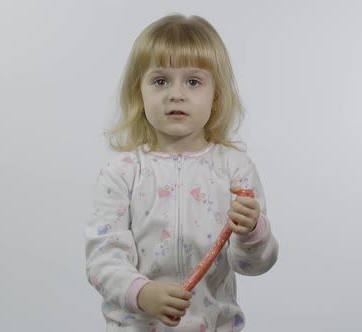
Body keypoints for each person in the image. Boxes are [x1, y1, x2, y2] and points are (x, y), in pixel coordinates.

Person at [85, 13, 278, 332]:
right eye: (160, 81)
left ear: (215, 97)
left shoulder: (235, 171)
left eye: (193, 81)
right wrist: (142, 293)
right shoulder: (121, 174)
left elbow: (253, 265)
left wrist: (252, 231)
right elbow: (103, 259)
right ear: (140, 94)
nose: (176, 94)